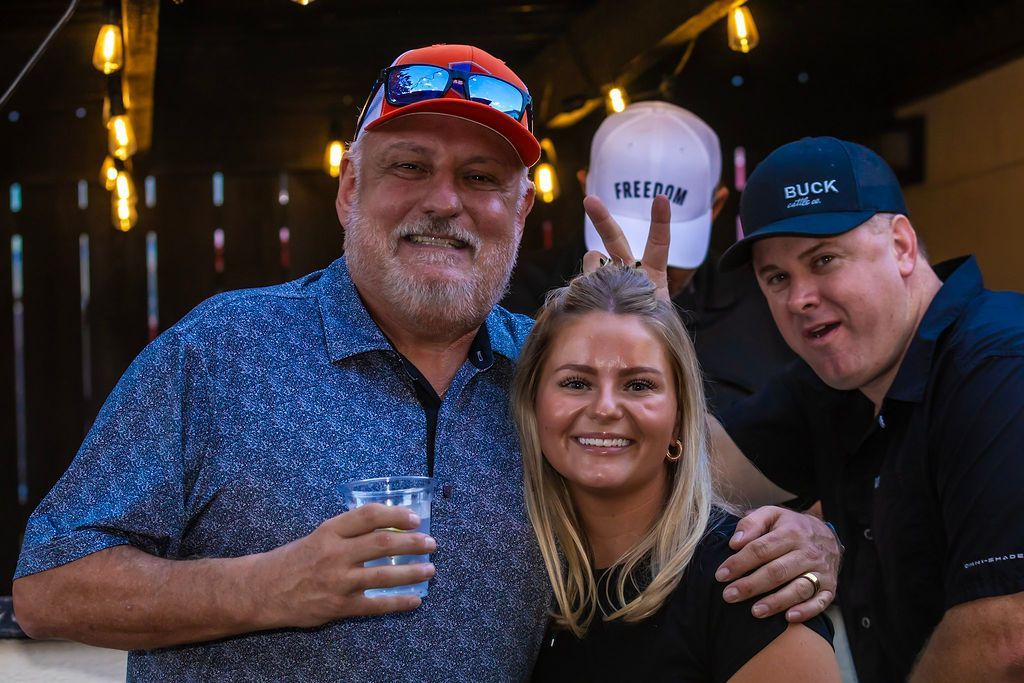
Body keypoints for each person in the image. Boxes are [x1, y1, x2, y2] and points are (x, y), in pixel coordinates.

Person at [12, 44, 838, 681]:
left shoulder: (549, 375)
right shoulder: (222, 351)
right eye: (410, 165)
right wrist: (266, 588)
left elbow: (662, 518)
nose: (444, 200)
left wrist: (802, 538)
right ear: (349, 189)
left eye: (481, 177)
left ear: (520, 211)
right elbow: (48, 587)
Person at [710, 136, 1024, 681]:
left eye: (824, 259)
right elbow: (687, 471)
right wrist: (641, 346)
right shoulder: (832, 383)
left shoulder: (998, 362)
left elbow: (1006, 636)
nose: (799, 297)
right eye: (777, 277)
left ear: (902, 246)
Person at [512, 264, 839, 682]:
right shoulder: (516, 580)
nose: (605, 408)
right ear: (534, 406)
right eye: (576, 383)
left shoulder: (748, 578)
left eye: (638, 385)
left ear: (681, 417)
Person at [503, 101, 794, 413]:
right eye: (626, 238)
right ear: (585, 188)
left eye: (672, 255)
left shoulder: (767, 311)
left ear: (717, 205)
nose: (641, 265)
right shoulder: (514, 299)